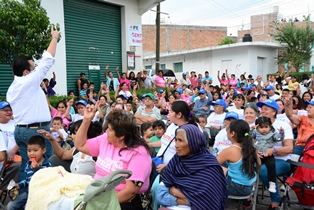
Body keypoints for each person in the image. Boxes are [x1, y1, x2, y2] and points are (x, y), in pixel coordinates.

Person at [6, 27, 59, 181]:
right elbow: (47, 60)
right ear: (26, 72)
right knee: (44, 168)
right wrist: (54, 38)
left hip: (21, 131)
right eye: (33, 68)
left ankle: (25, 197)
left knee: (27, 168)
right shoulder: (29, 81)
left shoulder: (12, 88)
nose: (37, 71)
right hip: (36, 132)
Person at [74, 108, 152, 210]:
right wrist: (86, 120)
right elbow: (80, 145)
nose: (106, 131)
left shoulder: (139, 154)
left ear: (121, 136)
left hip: (123, 200)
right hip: (98, 193)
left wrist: (100, 204)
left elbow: (130, 192)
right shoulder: (105, 140)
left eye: (110, 129)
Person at [157, 124, 227, 210]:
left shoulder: (210, 168)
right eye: (176, 140)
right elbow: (161, 195)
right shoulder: (176, 161)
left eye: (180, 140)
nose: (176, 145)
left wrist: (177, 193)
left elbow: (210, 201)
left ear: (193, 142)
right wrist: (186, 200)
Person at [256, 99, 293, 209]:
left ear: (274, 112)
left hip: (281, 160)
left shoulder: (283, 126)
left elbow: (289, 148)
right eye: (262, 108)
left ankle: (276, 200)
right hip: (260, 157)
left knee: (263, 170)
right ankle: (247, 196)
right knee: (242, 165)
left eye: (266, 109)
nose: (262, 111)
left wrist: (274, 150)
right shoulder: (257, 124)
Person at [38, 119, 102, 177]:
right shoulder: (76, 150)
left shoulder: (98, 153)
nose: (72, 136)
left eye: (75, 133)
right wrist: (52, 139)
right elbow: (62, 155)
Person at [217, 120, 258, 208]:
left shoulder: (230, 150)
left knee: (208, 181)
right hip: (249, 186)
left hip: (236, 187)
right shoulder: (251, 148)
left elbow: (211, 166)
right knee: (224, 169)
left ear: (232, 134)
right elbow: (259, 164)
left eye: (227, 130)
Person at [7, 136, 52, 210]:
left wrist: (37, 169)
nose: (32, 153)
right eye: (29, 151)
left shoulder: (47, 164)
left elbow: (46, 179)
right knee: (11, 206)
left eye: (35, 150)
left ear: (43, 150)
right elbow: (28, 180)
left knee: (27, 207)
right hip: (29, 192)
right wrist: (19, 185)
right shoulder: (28, 164)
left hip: (41, 194)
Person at [251, 116, 283, 193]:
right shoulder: (255, 132)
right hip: (257, 153)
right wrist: (251, 129)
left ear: (270, 126)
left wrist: (281, 133)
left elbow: (278, 138)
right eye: (261, 127)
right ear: (257, 127)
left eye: (266, 127)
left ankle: (272, 183)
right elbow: (248, 136)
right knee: (251, 164)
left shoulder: (272, 133)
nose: (264, 129)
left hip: (267, 154)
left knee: (271, 165)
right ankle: (252, 182)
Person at [0, 102, 21, 194]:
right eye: (5, 110)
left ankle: (3, 188)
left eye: (10, 110)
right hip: (1, 155)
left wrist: (13, 152)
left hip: (13, 154)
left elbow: (20, 140)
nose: (9, 112)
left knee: (19, 164)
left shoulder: (15, 124)